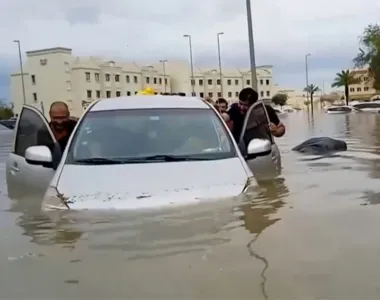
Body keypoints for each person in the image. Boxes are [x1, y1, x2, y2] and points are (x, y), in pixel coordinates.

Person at [221, 88, 285, 142]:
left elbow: (281, 127)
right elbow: (225, 116)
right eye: (240, 103)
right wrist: (220, 116)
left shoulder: (266, 110)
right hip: (240, 149)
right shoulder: (235, 108)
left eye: (245, 105)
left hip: (263, 149)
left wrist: (275, 131)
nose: (242, 107)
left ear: (254, 104)